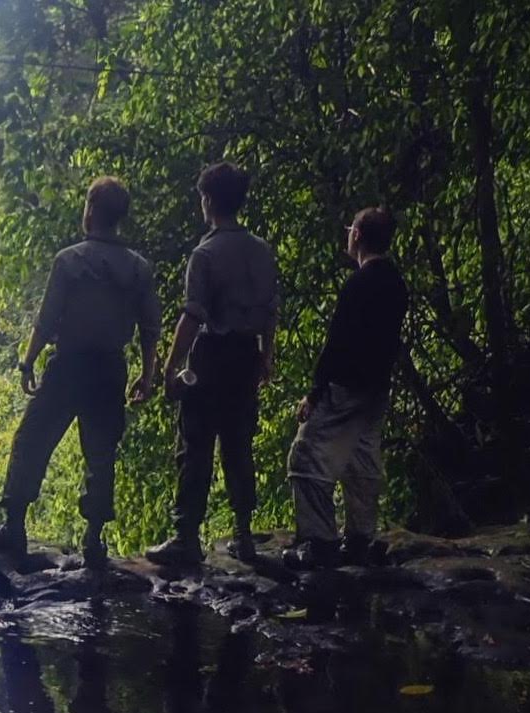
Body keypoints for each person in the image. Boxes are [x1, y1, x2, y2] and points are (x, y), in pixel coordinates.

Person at [0, 177, 161, 568]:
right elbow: (151, 327)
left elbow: (47, 317)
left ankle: (13, 527)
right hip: (110, 369)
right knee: (100, 453)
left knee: (32, 439)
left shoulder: (70, 260)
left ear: (90, 210)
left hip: (68, 364)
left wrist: (28, 360)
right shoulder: (138, 268)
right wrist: (147, 375)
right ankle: (93, 539)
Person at [145, 163, 280, 566]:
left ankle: (187, 536)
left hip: (211, 356)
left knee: (195, 445)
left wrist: (170, 368)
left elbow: (192, 316)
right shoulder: (262, 250)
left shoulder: (205, 253)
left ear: (207, 201)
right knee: (239, 444)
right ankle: (243, 535)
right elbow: (270, 312)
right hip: (245, 354)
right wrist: (266, 357)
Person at [286, 207, 408, 568]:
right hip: (377, 388)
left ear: (356, 235)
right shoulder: (396, 283)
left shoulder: (359, 284)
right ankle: (359, 538)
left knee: (305, 459)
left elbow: (338, 342)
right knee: (362, 460)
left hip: (346, 386)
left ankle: (319, 542)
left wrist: (315, 391)